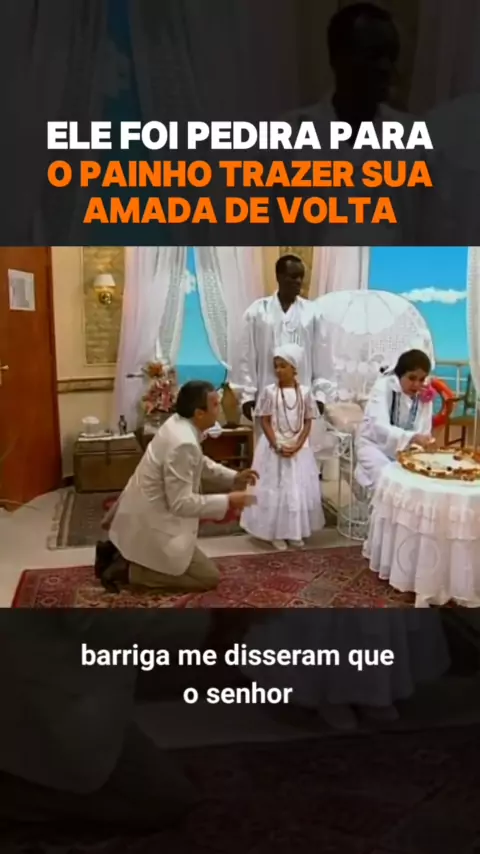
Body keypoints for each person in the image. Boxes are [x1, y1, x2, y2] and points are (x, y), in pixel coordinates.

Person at [99, 381, 258, 593]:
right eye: (215, 404)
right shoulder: (183, 442)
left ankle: (123, 555)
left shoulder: (177, 423)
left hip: (142, 513)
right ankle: (127, 570)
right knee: (207, 578)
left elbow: (198, 462)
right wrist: (228, 501)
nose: (219, 408)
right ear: (199, 413)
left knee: (195, 568)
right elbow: (181, 504)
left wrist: (234, 477)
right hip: (155, 523)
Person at [237, 254, 334, 433]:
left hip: (302, 398)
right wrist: (247, 395)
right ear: (279, 277)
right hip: (267, 398)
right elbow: (246, 357)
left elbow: (322, 356)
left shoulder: (313, 313)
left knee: (300, 446)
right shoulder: (257, 312)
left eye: (301, 277)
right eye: (293, 276)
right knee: (268, 445)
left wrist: (320, 395)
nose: (298, 281)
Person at [241, 343, 324, 550]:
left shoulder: (305, 393)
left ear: (294, 368)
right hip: (273, 447)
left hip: (298, 447)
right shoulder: (270, 392)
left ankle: (294, 531)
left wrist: (298, 444)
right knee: (275, 489)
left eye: (283, 366)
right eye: (276, 366)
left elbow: (307, 422)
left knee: (295, 488)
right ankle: (274, 532)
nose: (278, 370)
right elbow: (265, 420)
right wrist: (276, 444)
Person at [355, 349, 434, 490]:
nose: (417, 384)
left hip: (406, 451)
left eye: (421, 379)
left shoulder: (423, 394)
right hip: (374, 446)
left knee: (421, 480)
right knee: (389, 481)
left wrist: (419, 445)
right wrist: (413, 437)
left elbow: (424, 430)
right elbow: (379, 426)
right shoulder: (384, 387)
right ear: (400, 374)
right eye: (412, 378)